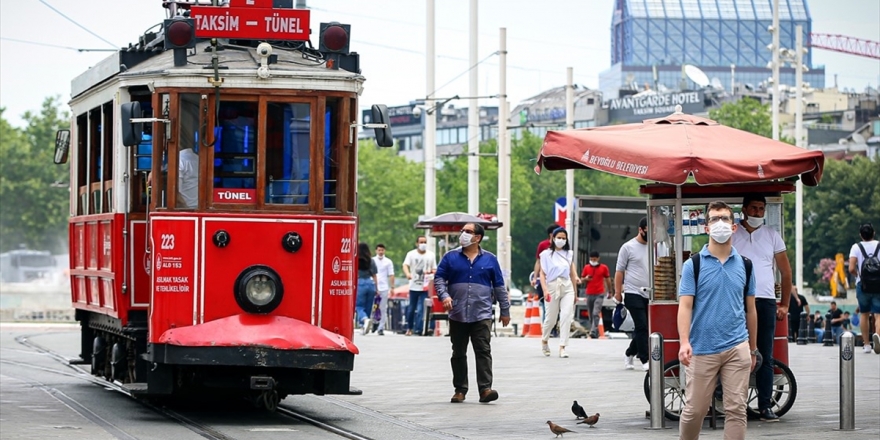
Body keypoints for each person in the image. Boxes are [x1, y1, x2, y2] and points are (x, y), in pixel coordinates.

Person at [677, 200, 758, 440]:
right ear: (706, 227)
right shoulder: (694, 264)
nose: (720, 223)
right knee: (695, 410)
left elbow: (751, 310)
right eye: (714, 219)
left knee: (736, 410)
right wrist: (684, 342)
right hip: (702, 348)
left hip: (737, 346)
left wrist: (752, 349)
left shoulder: (746, 265)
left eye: (725, 218)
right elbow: (685, 305)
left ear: (734, 227)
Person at [731, 194, 792, 422]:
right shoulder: (732, 234)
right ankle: (731, 403)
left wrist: (784, 303)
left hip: (765, 300)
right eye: (754, 208)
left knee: (765, 354)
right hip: (736, 299)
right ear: (744, 209)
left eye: (761, 209)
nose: (757, 213)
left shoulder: (772, 236)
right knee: (733, 352)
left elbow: (786, 272)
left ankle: (765, 405)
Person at [435, 223, 510, 404]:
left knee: (483, 351)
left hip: (482, 313)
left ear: (478, 238)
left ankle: (485, 389)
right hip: (457, 313)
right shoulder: (450, 257)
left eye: (468, 232)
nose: (463, 234)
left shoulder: (490, 260)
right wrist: (444, 296)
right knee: (458, 352)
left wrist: (505, 310)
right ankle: (460, 389)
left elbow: (499, 286)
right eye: (463, 231)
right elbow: (439, 279)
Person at [614, 217, 651, 371]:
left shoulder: (656, 246)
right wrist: (617, 292)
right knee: (641, 325)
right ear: (640, 230)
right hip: (632, 292)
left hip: (650, 293)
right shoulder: (628, 247)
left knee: (647, 328)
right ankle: (645, 359)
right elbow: (619, 271)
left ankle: (630, 352)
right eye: (647, 231)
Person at [538, 227, 580, 358]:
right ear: (553, 238)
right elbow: (542, 273)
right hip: (552, 286)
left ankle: (563, 346)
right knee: (550, 319)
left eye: (563, 238)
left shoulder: (569, 254)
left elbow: (572, 274)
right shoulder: (546, 254)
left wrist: (575, 292)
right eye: (559, 237)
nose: (561, 240)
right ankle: (545, 340)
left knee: (566, 316)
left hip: (567, 286)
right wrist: (544, 290)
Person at [848, 223, 880, 354]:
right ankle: (878, 336)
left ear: (861, 235)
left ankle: (867, 344)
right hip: (879, 284)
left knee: (864, 314)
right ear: (873, 233)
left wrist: (859, 276)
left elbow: (851, 268)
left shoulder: (856, 247)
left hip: (863, 285)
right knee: (879, 314)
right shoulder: (879, 245)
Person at [403, 236, 437, 336]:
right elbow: (405, 265)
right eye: (421, 242)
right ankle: (409, 328)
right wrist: (408, 274)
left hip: (426, 286)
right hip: (414, 285)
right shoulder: (411, 254)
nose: (423, 244)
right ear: (417, 243)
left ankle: (420, 328)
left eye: (425, 242)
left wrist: (430, 272)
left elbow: (435, 268)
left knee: (423, 308)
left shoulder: (431, 255)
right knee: (411, 308)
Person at [580, 250, 612, 339]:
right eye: (591, 259)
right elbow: (581, 279)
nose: (593, 261)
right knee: (590, 314)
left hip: (599, 293)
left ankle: (593, 331)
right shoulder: (586, 268)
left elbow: (608, 279)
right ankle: (594, 329)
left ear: (598, 258)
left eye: (594, 259)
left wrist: (610, 291)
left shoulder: (604, 268)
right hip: (589, 293)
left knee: (595, 312)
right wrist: (586, 279)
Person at [533, 224, 559, 322]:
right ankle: (547, 327)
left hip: (558, 279)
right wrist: (535, 278)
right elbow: (538, 262)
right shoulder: (543, 245)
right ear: (551, 234)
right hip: (546, 280)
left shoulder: (562, 247)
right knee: (546, 305)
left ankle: (556, 326)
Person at [355, 243, 378, 335]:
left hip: (360, 283)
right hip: (370, 283)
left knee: (359, 306)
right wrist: (377, 288)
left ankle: (364, 320)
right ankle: (364, 326)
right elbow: (374, 275)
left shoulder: (355, 259)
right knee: (368, 306)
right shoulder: (371, 261)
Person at [372, 244, 395, 336]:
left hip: (384, 287)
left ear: (384, 251)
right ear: (376, 251)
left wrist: (392, 287)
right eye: (379, 250)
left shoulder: (388, 262)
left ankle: (381, 327)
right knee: (373, 307)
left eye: (382, 250)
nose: (380, 252)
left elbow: (391, 274)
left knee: (382, 308)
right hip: (373, 286)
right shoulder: (372, 261)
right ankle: (374, 322)